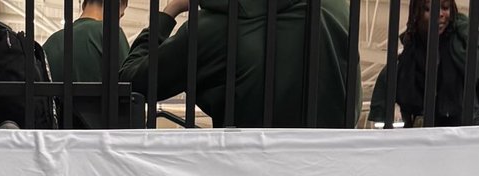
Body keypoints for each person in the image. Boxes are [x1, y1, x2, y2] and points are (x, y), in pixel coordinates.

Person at [120, 0, 360, 128]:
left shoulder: (212, 28)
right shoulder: (337, 9)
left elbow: (131, 81)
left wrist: (168, 12)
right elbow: (352, 104)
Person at [369, 0, 479, 127]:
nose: (440, 14)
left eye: (445, 8)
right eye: (428, 9)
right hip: (420, 133)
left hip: (464, 131)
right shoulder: (408, 57)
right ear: (417, 13)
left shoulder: (462, 47)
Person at [43, 0, 130, 128]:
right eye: (121, 14)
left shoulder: (50, 43)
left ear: (84, 4)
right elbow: (129, 88)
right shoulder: (111, 34)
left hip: (56, 135)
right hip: (102, 135)